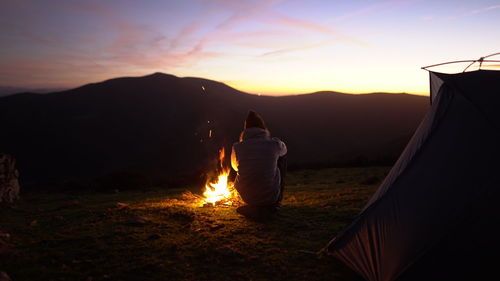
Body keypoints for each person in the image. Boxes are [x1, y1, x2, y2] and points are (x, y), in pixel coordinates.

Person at [231, 111, 287, 218]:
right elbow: (285, 151)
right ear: (263, 127)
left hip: (247, 197)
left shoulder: (237, 146)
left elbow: (234, 167)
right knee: (281, 157)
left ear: (245, 129)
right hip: (271, 197)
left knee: (240, 164)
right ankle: (276, 202)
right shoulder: (274, 144)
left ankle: (253, 206)